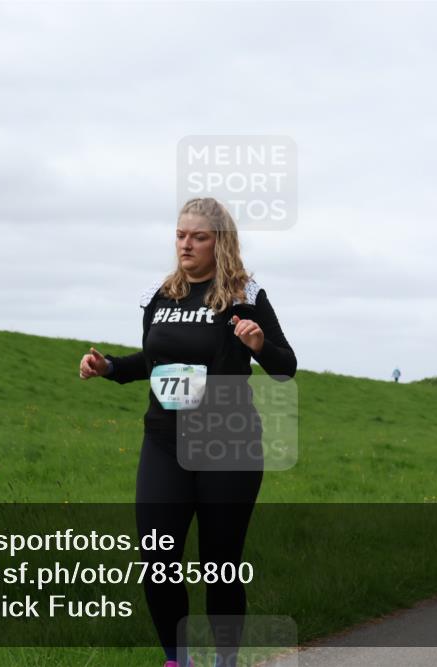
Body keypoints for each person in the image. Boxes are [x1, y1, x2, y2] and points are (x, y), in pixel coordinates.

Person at [78, 197, 297, 667]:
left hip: (228, 444)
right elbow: (151, 362)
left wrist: (259, 346)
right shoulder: (158, 297)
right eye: (180, 235)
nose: (186, 244)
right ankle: (177, 660)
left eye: (198, 237)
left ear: (220, 242)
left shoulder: (245, 295)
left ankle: (224, 660)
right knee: (158, 561)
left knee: (219, 565)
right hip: (164, 442)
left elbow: (286, 367)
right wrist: (110, 366)